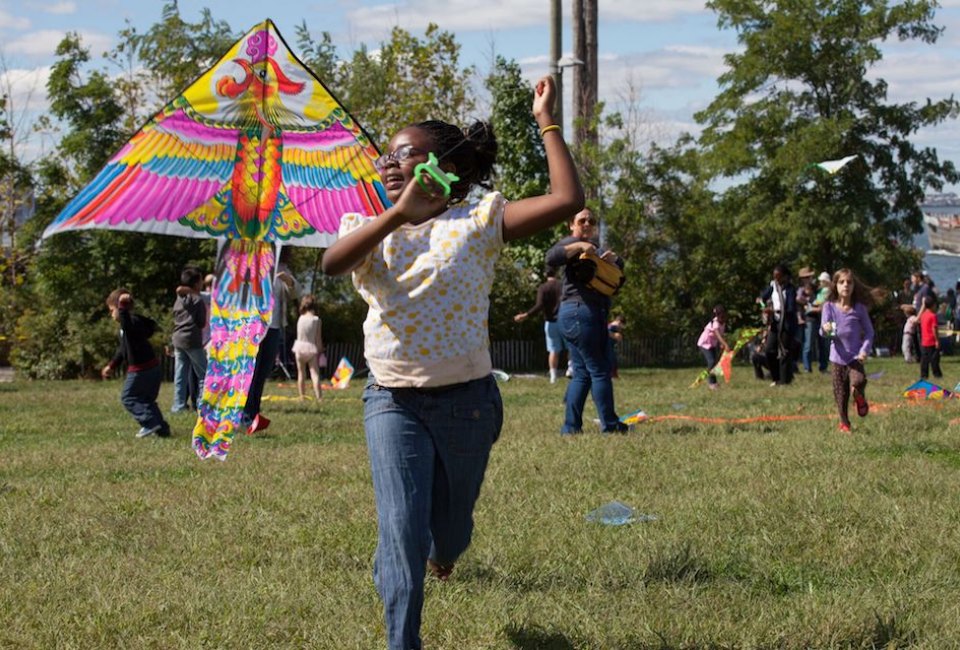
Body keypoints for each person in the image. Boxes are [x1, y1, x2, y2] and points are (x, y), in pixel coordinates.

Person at [320, 75, 583, 650]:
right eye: (385, 154)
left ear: (441, 165)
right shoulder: (367, 229)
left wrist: (546, 120)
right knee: (401, 530)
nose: (387, 162)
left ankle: (444, 552)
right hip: (391, 401)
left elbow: (568, 201)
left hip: (468, 402)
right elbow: (332, 264)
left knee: (451, 534)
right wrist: (397, 214)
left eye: (403, 153)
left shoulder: (479, 219)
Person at [546, 207, 628, 434]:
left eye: (591, 220)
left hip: (579, 315)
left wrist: (617, 260)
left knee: (582, 373)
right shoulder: (571, 242)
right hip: (581, 313)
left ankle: (571, 427)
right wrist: (580, 245)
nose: (587, 223)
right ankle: (610, 426)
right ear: (571, 224)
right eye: (582, 220)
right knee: (600, 370)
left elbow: (618, 278)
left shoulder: (596, 249)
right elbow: (551, 257)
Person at [101, 288, 171, 438]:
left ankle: (149, 423)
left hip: (141, 370)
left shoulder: (131, 323)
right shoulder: (128, 326)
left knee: (128, 398)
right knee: (146, 400)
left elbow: (126, 323)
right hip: (151, 368)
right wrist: (112, 365)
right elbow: (122, 350)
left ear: (121, 308)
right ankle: (162, 429)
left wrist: (122, 306)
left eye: (112, 309)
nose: (111, 314)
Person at [241, 248, 296, 434]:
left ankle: (254, 412)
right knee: (251, 372)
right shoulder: (251, 262)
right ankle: (245, 416)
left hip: (273, 327)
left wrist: (289, 281)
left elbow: (296, 293)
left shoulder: (282, 268)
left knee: (263, 371)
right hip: (253, 325)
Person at [821, 269, 875, 433]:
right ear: (835, 286)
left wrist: (864, 350)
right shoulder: (829, 307)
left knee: (858, 381)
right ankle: (844, 423)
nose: (846, 285)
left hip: (855, 357)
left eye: (849, 282)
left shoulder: (859, 309)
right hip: (837, 357)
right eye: (842, 282)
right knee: (840, 393)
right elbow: (824, 331)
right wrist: (827, 330)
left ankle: (859, 397)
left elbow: (869, 332)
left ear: (853, 286)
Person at [513, 266, 565, 383]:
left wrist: (526, 315)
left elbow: (539, 305)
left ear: (545, 275)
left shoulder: (543, 288)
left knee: (553, 350)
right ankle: (572, 369)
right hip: (564, 320)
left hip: (550, 322)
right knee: (571, 347)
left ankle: (553, 376)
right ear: (556, 274)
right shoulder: (562, 286)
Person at [170, 266, 208, 413]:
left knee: (180, 374)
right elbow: (201, 322)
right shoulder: (198, 301)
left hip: (178, 339)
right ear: (196, 283)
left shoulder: (179, 299)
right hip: (192, 339)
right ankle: (202, 404)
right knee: (203, 374)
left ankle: (178, 405)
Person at [759, 263, 797, 386]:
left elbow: (791, 309)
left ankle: (784, 380)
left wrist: (775, 310)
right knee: (769, 350)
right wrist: (762, 304)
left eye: (779, 277)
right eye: (775, 276)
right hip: (775, 324)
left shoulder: (790, 290)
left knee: (784, 352)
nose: (777, 279)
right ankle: (775, 377)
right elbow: (762, 297)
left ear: (785, 277)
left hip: (786, 324)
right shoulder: (773, 287)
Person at [291, 294, 324, 402]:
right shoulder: (316, 320)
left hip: (299, 348)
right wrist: (320, 349)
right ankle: (319, 397)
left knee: (301, 373)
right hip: (311, 348)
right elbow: (317, 338)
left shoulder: (300, 319)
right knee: (314, 374)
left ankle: (302, 396)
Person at [697, 305, 730, 390]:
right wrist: (725, 344)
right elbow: (718, 336)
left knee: (715, 363)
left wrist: (721, 344)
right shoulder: (715, 323)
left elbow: (721, 334)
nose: (723, 318)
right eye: (721, 316)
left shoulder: (723, 323)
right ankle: (711, 383)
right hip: (704, 344)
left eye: (724, 316)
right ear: (717, 316)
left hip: (712, 344)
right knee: (711, 362)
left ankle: (714, 382)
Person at [918, 294, 943, 380]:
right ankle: (937, 374)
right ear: (933, 305)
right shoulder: (933, 316)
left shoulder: (923, 315)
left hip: (924, 340)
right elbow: (934, 328)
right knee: (935, 359)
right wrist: (937, 340)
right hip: (932, 340)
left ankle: (924, 374)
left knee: (924, 359)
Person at [606, 313, 626, 379]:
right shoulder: (612, 326)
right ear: (619, 322)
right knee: (611, 359)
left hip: (610, 345)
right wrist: (615, 335)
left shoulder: (613, 326)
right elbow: (607, 333)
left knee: (613, 359)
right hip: (607, 346)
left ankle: (613, 374)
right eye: (621, 325)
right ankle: (612, 374)